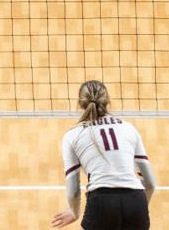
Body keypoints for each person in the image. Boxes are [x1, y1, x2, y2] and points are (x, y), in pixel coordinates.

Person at [51, 80, 155, 229]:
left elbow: (73, 191)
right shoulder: (129, 128)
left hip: (101, 204)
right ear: (107, 101)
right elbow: (150, 183)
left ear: (80, 103)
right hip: (136, 201)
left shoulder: (72, 136)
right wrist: (138, 207)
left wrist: (74, 212)